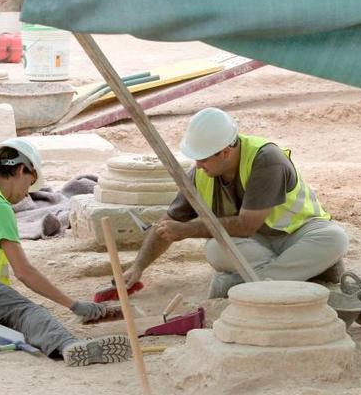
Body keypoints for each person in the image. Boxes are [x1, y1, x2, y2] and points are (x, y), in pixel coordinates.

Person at [0, 138, 131, 367]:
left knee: (9, 326)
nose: (27, 194)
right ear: (21, 169)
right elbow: (24, 272)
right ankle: (68, 345)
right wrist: (72, 304)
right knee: (25, 312)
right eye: (29, 183)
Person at [123, 107, 348, 299]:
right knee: (214, 249)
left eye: (203, 158)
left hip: (299, 234)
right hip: (257, 245)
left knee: (335, 238)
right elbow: (167, 223)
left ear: (225, 152)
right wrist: (138, 267)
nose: (198, 165)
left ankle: (241, 285)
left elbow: (246, 225)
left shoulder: (267, 159)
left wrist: (188, 230)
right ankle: (296, 274)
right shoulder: (200, 174)